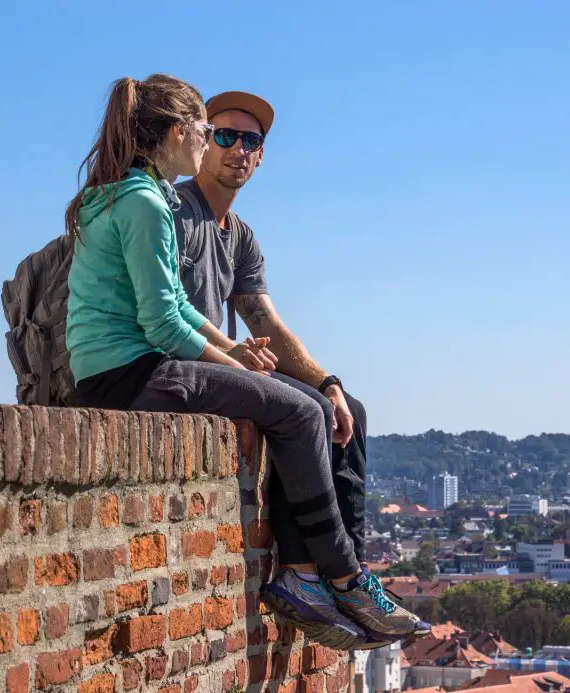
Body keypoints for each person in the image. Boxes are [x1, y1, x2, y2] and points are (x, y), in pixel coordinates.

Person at [63, 74, 423, 648]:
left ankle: (328, 576)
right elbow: (161, 324)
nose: (218, 145)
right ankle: (336, 577)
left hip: (129, 366)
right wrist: (235, 364)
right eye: (212, 133)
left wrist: (238, 354)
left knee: (323, 403)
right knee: (303, 414)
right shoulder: (151, 203)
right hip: (133, 372)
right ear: (180, 132)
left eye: (244, 140)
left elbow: (182, 307)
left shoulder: (131, 192)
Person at [171, 90, 429, 643]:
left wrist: (329, 382)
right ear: (200, 141)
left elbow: (264, 319)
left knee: (344, 407)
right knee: (302, 409)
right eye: (225, 135)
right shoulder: (176, 211)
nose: (238, 149)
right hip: (187, 366)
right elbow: (165, 308)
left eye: (251, 141)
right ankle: (315, 575)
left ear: (261, 156)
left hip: (227, 365)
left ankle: (341, 581)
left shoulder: (238, 236)